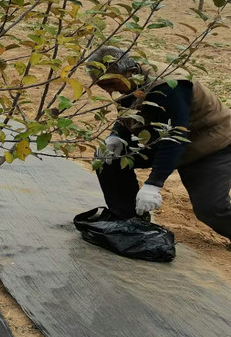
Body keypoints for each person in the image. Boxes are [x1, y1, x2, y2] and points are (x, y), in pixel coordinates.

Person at [87, 45, 231, 241]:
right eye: (102, 86)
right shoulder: (132, 82)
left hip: (209, 145)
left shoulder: (169, 86)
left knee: (210, 208)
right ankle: (130, 220)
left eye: (112, 84)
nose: (110, 91)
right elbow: (131, 112)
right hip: (165, 139)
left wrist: (153, 185)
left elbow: (174, 137)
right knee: (108, 159)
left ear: (130, 71)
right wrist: (116, 136)